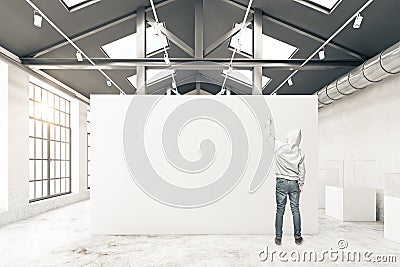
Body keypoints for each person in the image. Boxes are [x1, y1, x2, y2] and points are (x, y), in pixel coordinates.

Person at [266, 119, 305, 245]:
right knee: (295, 210)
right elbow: (302, 171)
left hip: (281, 182)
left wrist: (268, 125)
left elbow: (269, 137)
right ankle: (298, 238)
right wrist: (301, 184)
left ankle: (278, 238)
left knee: (280, 210)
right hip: (294, 183)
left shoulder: (280, 147)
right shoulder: (300, 152)